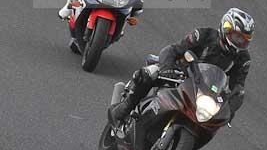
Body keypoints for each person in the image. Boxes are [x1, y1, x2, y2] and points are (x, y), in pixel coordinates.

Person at [108, 8, 255, 126]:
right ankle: (123, 109)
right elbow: (172, 50)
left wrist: (230, 110)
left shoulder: (243, 59)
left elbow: (238, 89)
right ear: (226, 29)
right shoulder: (203, 35)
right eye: (238, 37)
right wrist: (167, 69)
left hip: (204, 91)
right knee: (149, 73)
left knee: (212, 120)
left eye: (244, 40)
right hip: (178, 73)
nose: (240, 42)